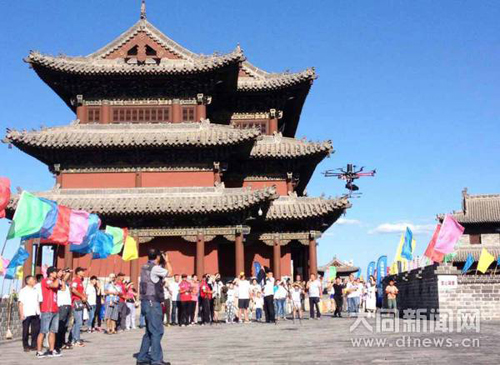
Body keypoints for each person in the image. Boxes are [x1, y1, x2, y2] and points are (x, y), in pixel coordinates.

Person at [136, 249, 172, 365]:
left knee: (149, 332)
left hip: (145, 302)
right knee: (157, 331)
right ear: (157, 256)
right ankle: (156, 359)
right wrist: (167, 261)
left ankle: (142, 357)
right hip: (153, 303)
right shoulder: (155, 268)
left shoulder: (144, 267)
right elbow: (170, 273)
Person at [36, 266, 63, 358]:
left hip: (55, 309)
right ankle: (39, 351)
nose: (57, 274)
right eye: (55, 272)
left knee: (53, 331)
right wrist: (58, 278)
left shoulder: (55, 281)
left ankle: (51, 350)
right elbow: (54, 285)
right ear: (51, 273)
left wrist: (65, 275)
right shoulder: (46, 280)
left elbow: (62, 288)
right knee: (43, 331)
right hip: (47, 309)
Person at [18, 275, 40, 352]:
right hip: (27, 312)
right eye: (33, 279)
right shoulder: (23, 291)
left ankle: (34, 345)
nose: (34, 281)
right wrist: (21, 314)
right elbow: (21, 303)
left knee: (36, 330)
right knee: (26, 330)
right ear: (28, 281)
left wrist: (39, 312)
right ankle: (26, 345)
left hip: (35, 312)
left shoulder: (36, 290)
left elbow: (38, 301)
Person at [55, 269, 72, 351]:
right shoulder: (57, 281)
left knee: (65, 326)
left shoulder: (64, 281)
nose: (62, 273)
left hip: (68, 305)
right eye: (61, 272)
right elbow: (63, 288)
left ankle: (62, 342)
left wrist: (67, 273)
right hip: (62, 305)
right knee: (60, 325)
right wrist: (67, 273)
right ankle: (58, 343)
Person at [70, 267, 87, 347]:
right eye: (82, 271)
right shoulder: (75, 280)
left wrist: (84, 297)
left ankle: (73, 339)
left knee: (77, 322)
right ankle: (76, 340)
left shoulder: (80, 281)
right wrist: (81, 296)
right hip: (76, 302)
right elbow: (73, 289)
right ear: (78, 272)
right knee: (79, 322)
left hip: (80, 302)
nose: (83, 272)